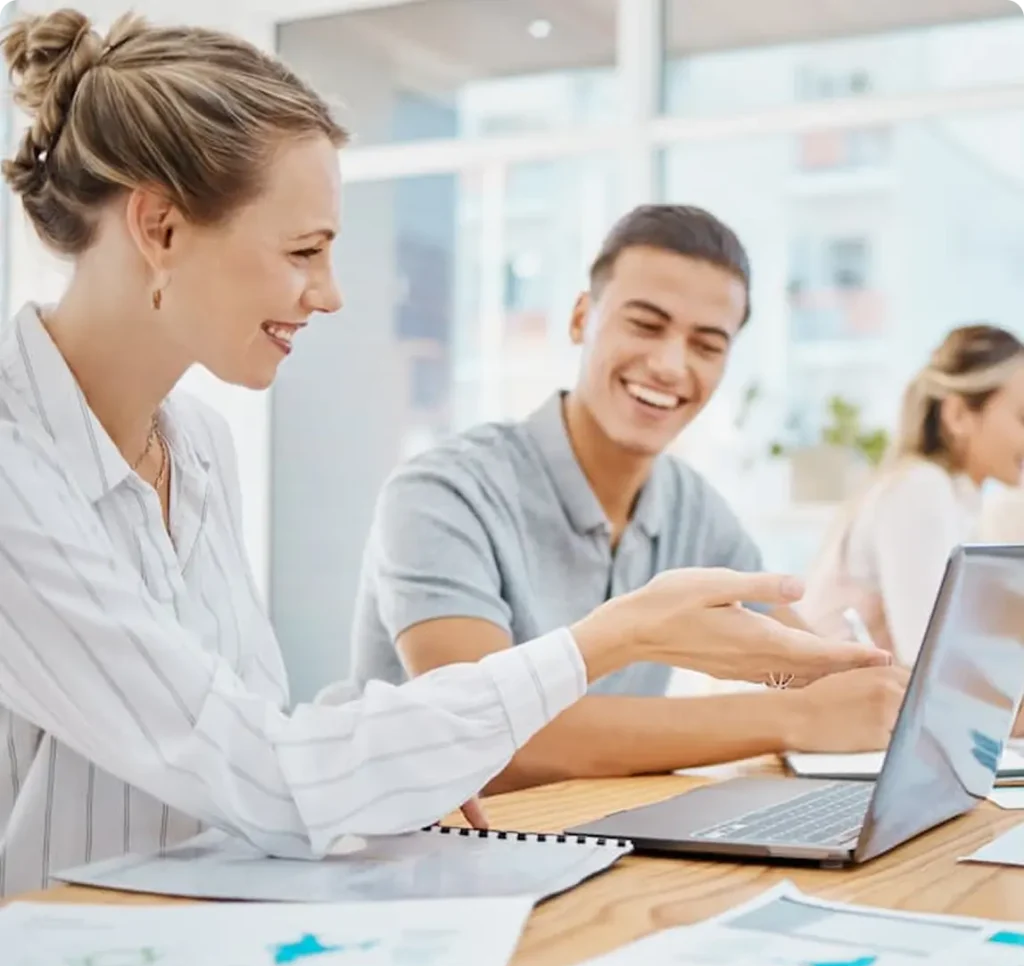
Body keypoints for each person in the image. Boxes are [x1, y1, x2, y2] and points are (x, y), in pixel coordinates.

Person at [0, 12, 888, 898]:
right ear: (158, 227)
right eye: (305, 250)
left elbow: (225, 734)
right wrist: (618, 637)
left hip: (190, 926)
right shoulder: (16, 468)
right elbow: (266, 777)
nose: (332, 293)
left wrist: (404, 754)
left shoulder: (195, 446)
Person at [350, 205, 907, 795]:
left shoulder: (693, 508)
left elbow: (804, 668)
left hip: (582, 840)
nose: (670, 365)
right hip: (405, 849)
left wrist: (890, 693)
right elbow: (482, 735)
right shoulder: (443, 492)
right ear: (580, 318)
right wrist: (796, 718)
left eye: (707, 344)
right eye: (645, 324)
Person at [800, 325, 1024, 667]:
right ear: (958, 415)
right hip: (819, 709)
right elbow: (932, 663)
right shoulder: (920, 489)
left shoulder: (959, 502)